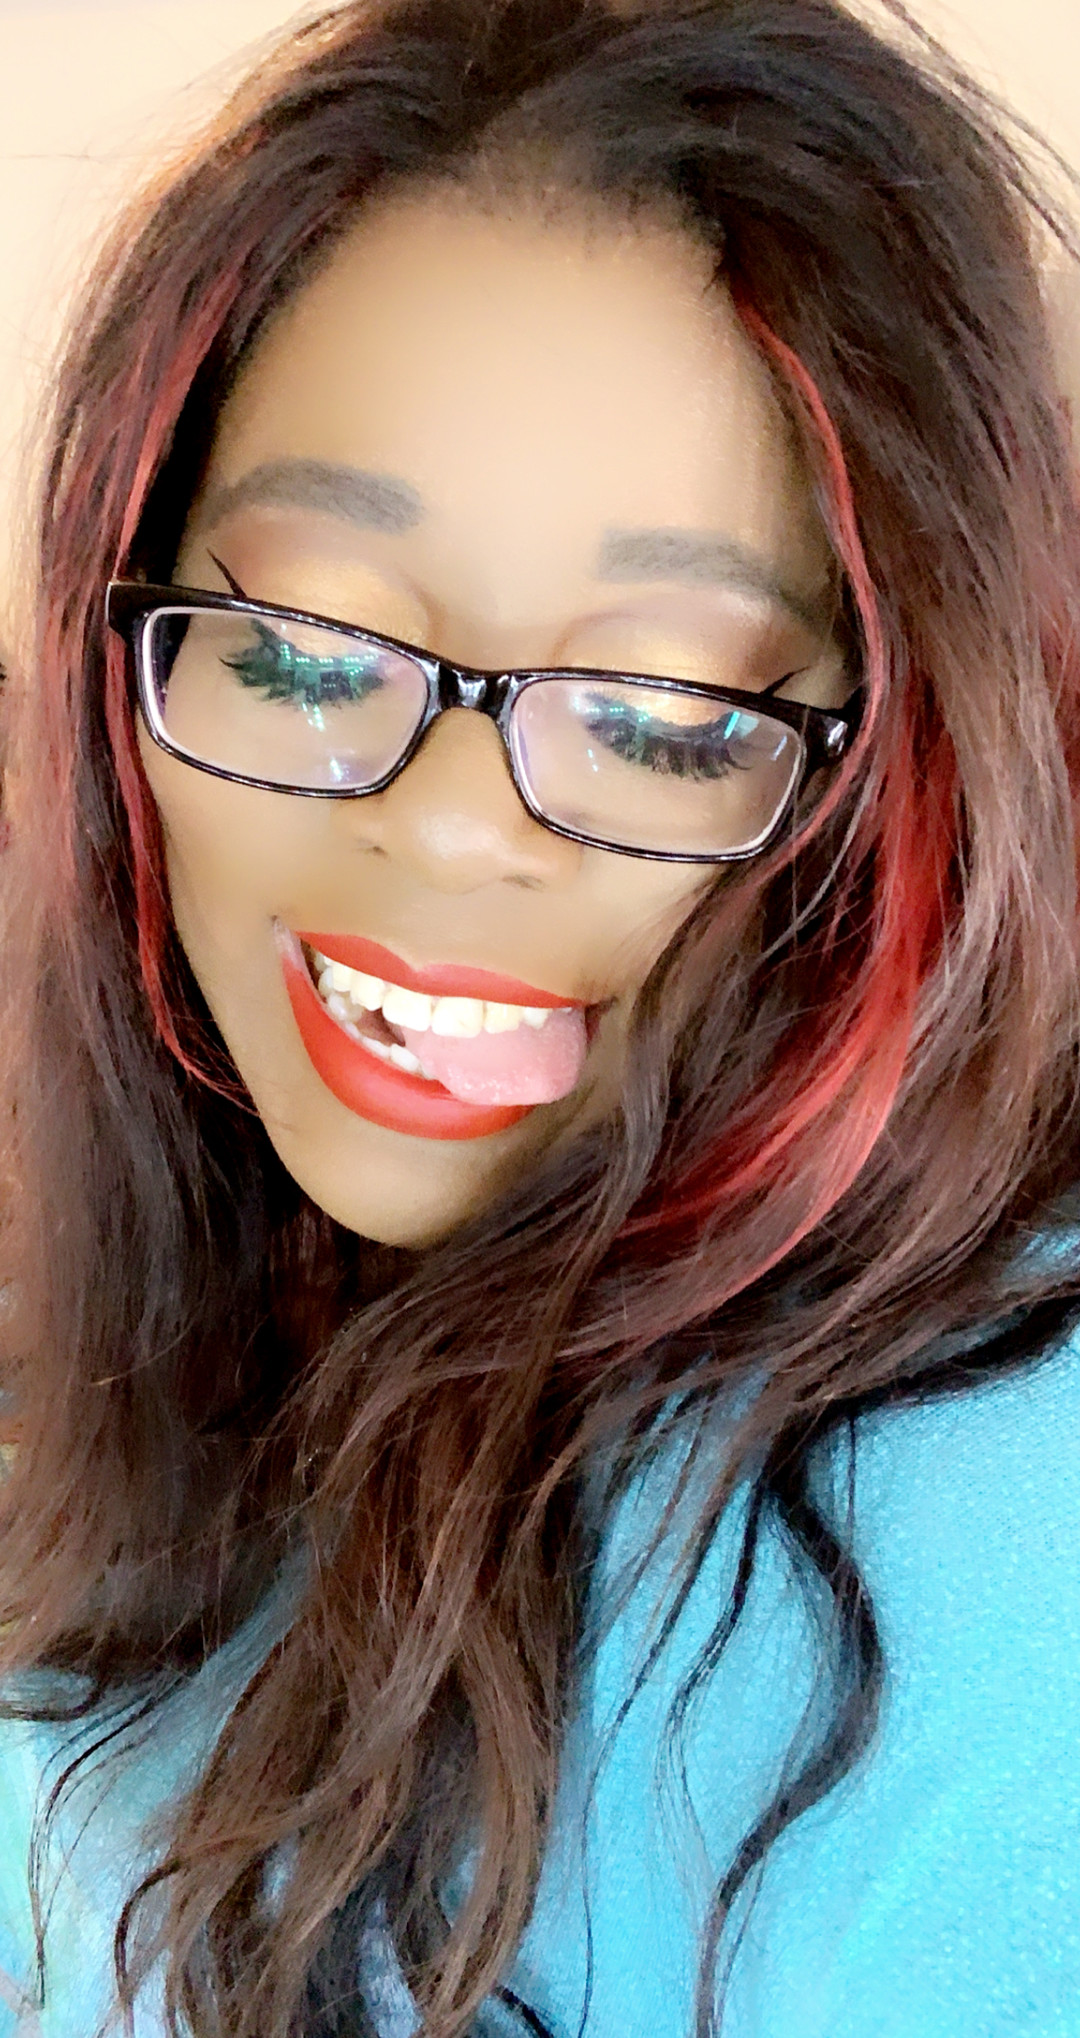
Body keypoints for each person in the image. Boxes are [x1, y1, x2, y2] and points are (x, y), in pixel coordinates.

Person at [1, 0, 1079, 2032]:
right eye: (304, 654)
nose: (446, 825)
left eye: (664, 719)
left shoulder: (988, 1516)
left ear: (905, 780)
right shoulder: (189, 1347)